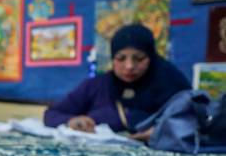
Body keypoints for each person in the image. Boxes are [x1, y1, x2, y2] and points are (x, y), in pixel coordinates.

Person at [44, 24, 190, 138]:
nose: (129, 66)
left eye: (139, 58)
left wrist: (162, 133)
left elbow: (194, 123)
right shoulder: (97, 85)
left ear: (151, 57)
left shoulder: (170, 82)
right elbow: (51, 115)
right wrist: (71, 121)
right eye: (120, 58)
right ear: (112, 59)